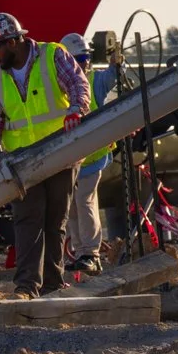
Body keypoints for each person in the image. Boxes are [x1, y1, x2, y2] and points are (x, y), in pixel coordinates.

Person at [0, 11, 89, 297]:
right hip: (23, 163)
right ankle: (26, 287)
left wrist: (77, 108)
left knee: (55, 221)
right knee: (28, 221)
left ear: (13, 41)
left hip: (61, 153)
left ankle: (52, 285)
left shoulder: (53, 56)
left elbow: (78, 84)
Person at [60, 31, 118, 274]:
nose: (82, 64)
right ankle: (81, 250)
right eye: (77, 59)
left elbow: (114, 76)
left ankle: (90, 253)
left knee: (84, 201)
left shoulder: (96, 81)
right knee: (72, 206)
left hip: (93, 155)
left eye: (83, 59)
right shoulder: (61, 87)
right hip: (71, 157)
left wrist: (116, 58)